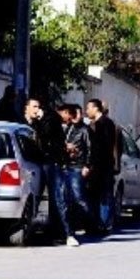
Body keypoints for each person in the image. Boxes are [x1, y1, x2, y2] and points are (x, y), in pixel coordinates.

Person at [25, 98, 74, 246]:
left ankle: (67, 233)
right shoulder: (22, 122)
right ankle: (30, 230)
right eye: (33, 106)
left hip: (50, 162)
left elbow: (45, 134)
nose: (36, 109)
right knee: (34, 197)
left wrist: (38, 120)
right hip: (34, 164)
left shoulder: (50, 118)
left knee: (57, 197)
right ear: (26, 108)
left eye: (38, 106)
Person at [58, 104, 94, 243]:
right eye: (74, 114)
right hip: (67, 165)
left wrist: (87, 165)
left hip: (78, 166)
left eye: (78, 114)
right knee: (68, 198)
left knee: (79, 197)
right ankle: (73, 224)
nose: (75, 116)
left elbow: (90, 149)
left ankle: (90, 221)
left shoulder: (85, 130)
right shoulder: (68, 128)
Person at [86, 99, 117, 234]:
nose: (87, 111)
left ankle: (103, 225)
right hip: (99, 166)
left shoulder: (103, 124)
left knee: (104, 195)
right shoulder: (97, 124)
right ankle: (96, 224)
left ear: (96, 108)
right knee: (96, 195)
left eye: (88, 108)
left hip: (103, 166)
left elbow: (102, 147)